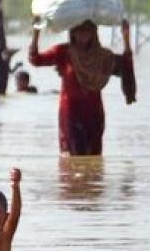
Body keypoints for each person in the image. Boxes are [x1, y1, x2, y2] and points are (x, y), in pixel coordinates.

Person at [28, 19, 136, 156]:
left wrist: (126, 38)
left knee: (93, 159)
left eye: (87, 31)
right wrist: (36, 32)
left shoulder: (103, 57)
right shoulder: (64, 52)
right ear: (72, 33)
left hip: (94, 114)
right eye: (78, 31)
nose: (82, 35)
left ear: (93, 33)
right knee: (71, 160)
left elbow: (125, 67)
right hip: (70, 114)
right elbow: (36, 60)